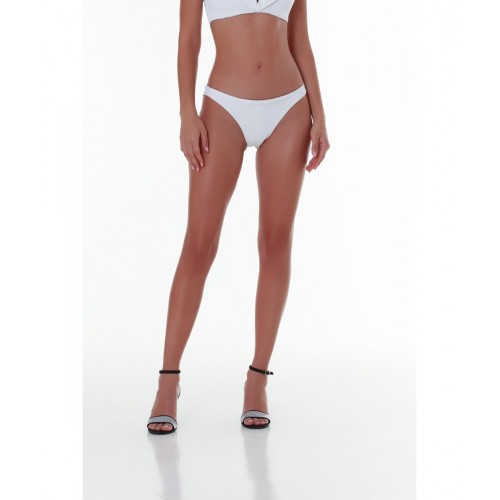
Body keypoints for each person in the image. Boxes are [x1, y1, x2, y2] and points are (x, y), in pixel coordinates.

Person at [147, 0, 330, 434]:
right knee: (199, 244)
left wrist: (320, 113)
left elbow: (299, 39)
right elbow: (188, 39)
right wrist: (186, 113)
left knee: (276, 241)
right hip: (223, 107)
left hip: (290, 107)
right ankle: (167, 381)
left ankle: (257, 380)